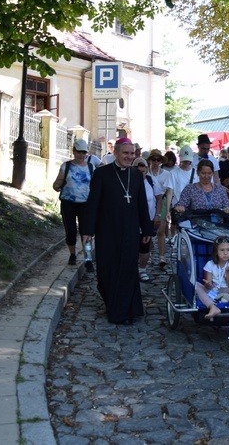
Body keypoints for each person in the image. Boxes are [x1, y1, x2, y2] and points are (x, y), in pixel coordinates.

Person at [82, 138, 154, 325]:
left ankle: (124, 311)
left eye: (132, 154)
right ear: (116, 153)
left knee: (128, 270)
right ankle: (113, 303)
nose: (129, 157)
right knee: (107, 271)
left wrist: (146, 228)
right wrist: (87, 230)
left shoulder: (137, 175)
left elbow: (142, 204)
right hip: (107, 230)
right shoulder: (102, 174)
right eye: (125, 153)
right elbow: (93, 204)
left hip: (130, 230)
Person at [52, 139, 94, 268]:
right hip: (68, 203)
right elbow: (57, 183)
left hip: (86, 204)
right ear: (73, 151)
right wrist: (57, 186)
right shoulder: (66, 166)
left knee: (86, 232)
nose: (81, 155)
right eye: (79, 152)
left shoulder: (91, 167)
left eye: (84, 152)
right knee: (70, 231)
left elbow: (96, 186)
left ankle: (88, 258)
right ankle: (72, 254)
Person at [133, 157, 163, 282]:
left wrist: (157, 215)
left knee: (145, 244)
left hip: (148, 218)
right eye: (139, 172)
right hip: (132, 220)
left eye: (144, 171)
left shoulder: (151, 181)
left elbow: (159, 198)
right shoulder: (129, 181)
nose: (142, 174)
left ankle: (142, 269)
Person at [147, 149, 173, 268]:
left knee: (161, 231)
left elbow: (168, 192)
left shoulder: (166, 174)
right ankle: (149, 254)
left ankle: (162, 256)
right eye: (154, 159)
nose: (156, 162)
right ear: (150, 161)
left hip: (161, 201)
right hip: (148, 201)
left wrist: (167, 209)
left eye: (158, 159)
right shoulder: (146, 173)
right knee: (148, 230)